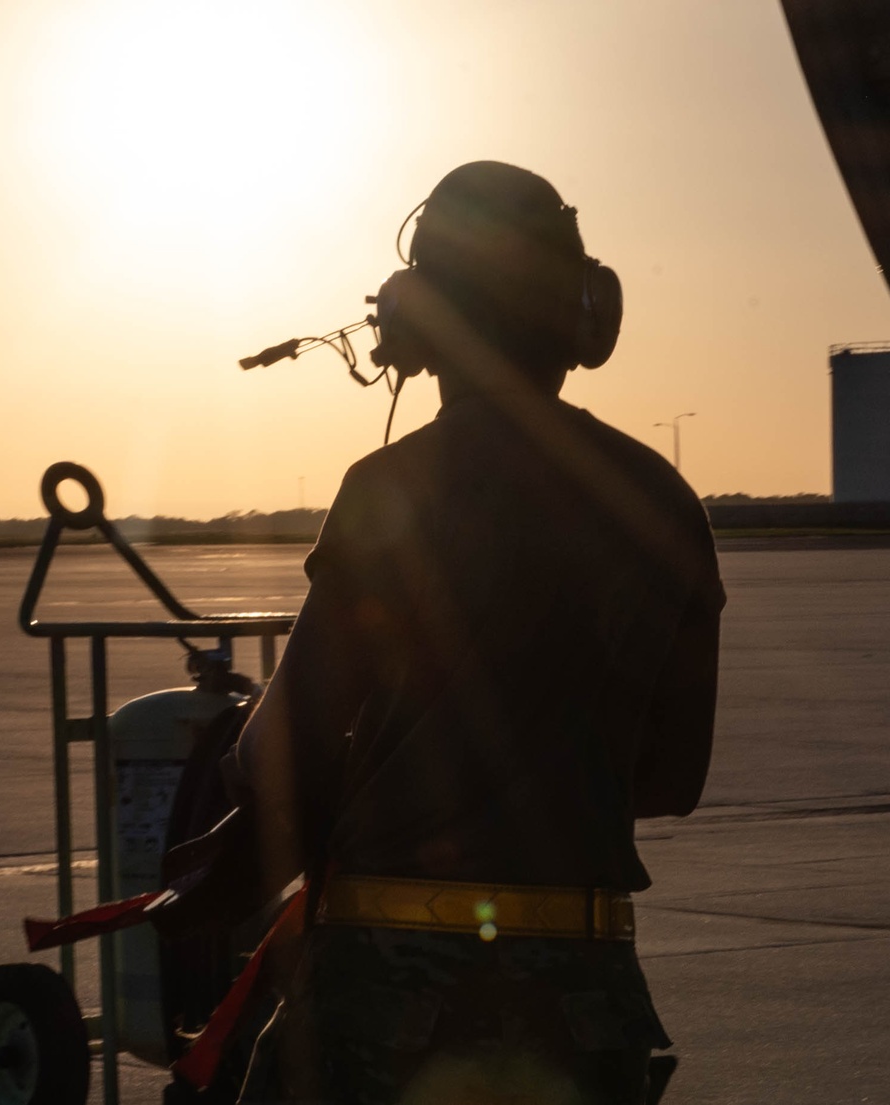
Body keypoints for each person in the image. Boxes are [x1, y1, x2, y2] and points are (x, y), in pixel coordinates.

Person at [228, 161, 725, 1105]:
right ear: (586, 319)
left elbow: (281, 753)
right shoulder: (664, 501)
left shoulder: (391, 490)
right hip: (589, 1009)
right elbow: (674, 779)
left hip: (385, 1001)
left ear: (415, 326)